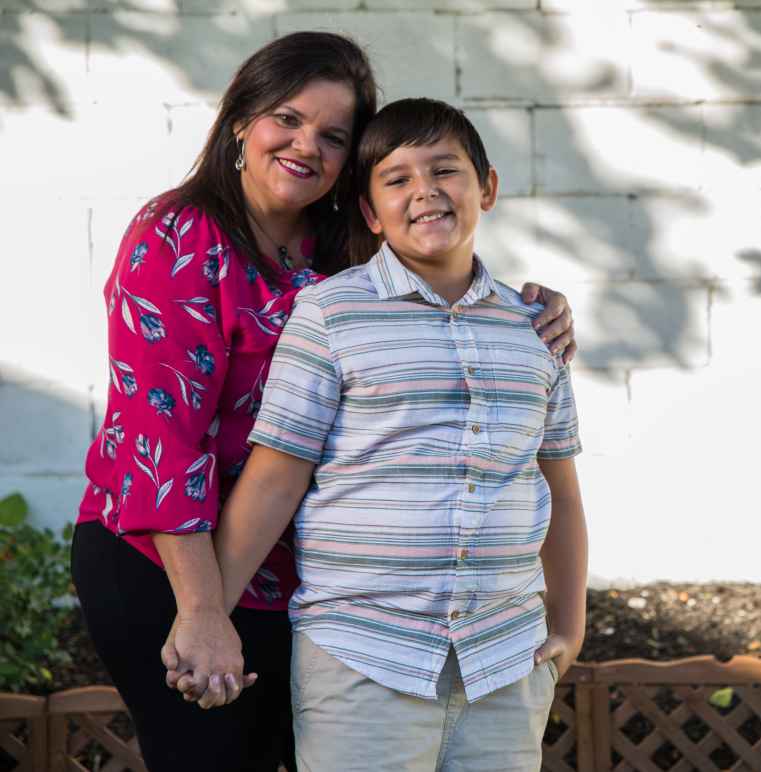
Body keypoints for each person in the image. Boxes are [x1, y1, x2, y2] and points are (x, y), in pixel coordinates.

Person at [70, 34, 578, 772]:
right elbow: (161, 440)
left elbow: (436, 305)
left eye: (334, 136)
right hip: (166, 561)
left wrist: (535, 307)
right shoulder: (178, 235)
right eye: (288, 118)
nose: (306, 145)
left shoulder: (342, 247)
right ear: (242, 121)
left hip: (292, 573)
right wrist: (205, 610)